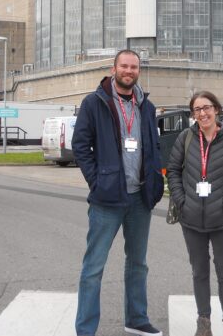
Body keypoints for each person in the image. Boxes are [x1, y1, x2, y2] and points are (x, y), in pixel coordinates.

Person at [72, 49, 165, 336]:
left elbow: (153, 146)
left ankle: (136, 319)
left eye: (134, 66)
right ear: (114, 69)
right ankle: (86, 330)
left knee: (138, 264)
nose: (129, 70)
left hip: (140, 198)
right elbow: (80, 146)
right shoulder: (94, 102)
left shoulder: (146, 106)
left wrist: (154, 179)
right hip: (107, 199)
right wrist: (97, 182)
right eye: (124, 66)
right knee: (93, 267)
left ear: (138, 70)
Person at [167, 91, 223, 336]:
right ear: (193, 114)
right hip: (191, 220)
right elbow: (172, 170)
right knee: (199, 272)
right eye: (197, 109)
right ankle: (203, 322)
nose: (202, 113)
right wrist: (182, 202)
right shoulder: (186, 138)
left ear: (216, 109)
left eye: (206, 107)